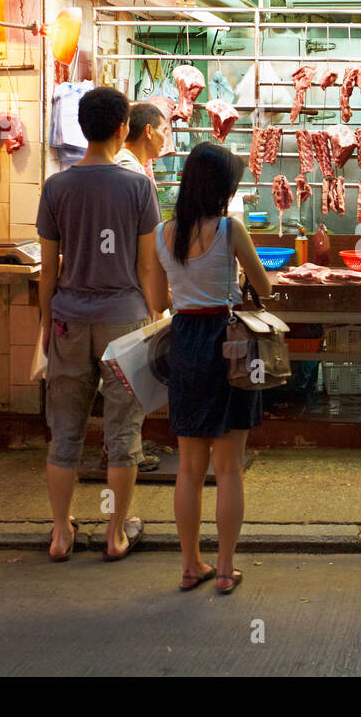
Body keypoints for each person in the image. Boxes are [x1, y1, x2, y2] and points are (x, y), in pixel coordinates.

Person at [37, 86, 165, 562]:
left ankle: (60, 533)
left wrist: (48, 327)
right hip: (124, 321)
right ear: (121, 129)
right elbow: (148, 266)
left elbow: (48, 271)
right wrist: (153, 316)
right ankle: (115, 532)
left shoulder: (57, 187)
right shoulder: (138, 187)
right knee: (123, 432)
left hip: (70, 319)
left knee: (64, 431)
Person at [149, 142, 272, 595]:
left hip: (184, 344)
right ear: (221, 188)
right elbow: (265, 286)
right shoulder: (230, 230)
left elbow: (159, 300)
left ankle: (188, 566)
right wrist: (234, 284)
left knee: (188, 467)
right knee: (229, 469)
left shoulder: (164, 233)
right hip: (230, 344)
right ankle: (223, 569)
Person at [109, 100, 175, 473]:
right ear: (148, 131)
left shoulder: (130, 169)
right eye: (164, 130)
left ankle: (124, 448)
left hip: (120, 291)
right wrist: (158, 297)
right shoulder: (129, 174)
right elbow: (142, 249)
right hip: (127, 293)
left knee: (124, 382)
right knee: (128, 381)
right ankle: (124, 454)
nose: (167, 137)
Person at [117, 101, 169, 178]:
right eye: (163, 131)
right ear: (149, 131)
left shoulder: (128, 164)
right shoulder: (131, 170)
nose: (165, 138)